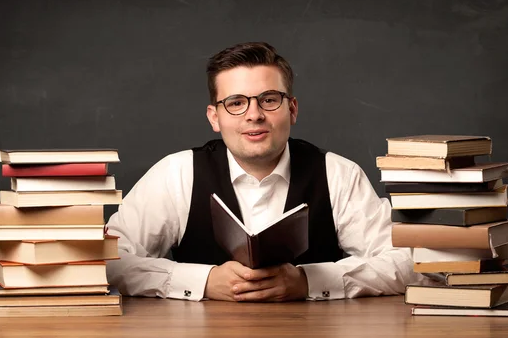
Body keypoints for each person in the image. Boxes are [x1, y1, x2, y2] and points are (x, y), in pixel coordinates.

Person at [106, 41, 426, 302]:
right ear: (214, 117)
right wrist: (201, 281)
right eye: (235, 103)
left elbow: (408, 263)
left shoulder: (338, 174)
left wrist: (308, 282)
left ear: (292, 108)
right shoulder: (176, 173)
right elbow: (109, 257)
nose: (254, 115)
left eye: (269, 100)